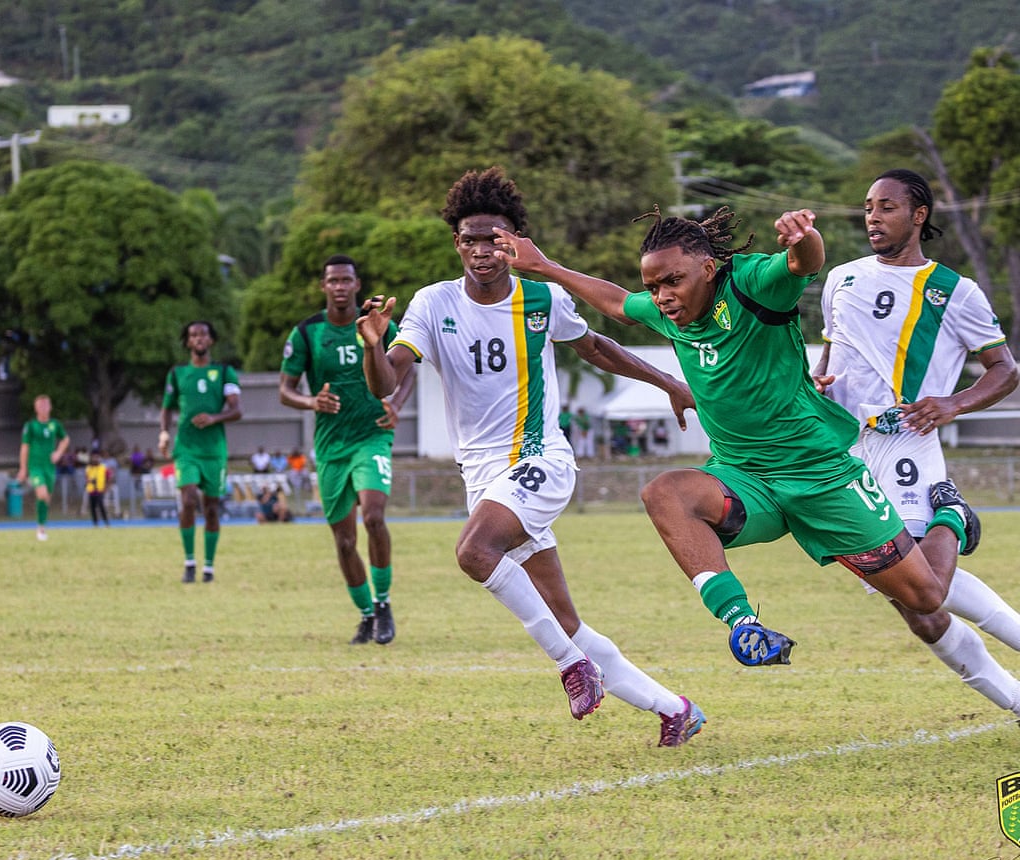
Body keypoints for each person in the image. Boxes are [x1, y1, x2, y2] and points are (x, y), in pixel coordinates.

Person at [496, 202, 961, 678]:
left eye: (672, 281)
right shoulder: (665, 312)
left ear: (708, 268)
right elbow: (617, 303)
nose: (661, 297)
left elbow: (805, 263)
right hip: (744, 478)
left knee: (925, 597)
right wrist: (545, 267)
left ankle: (951, 514)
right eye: (653, 286)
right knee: (664, 492)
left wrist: (801, 236)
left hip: (820, 476)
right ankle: (743, 625)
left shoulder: (752, 284)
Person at [358, 167, 705, 745]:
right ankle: (674, 709)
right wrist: (373, 345)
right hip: (484, 476)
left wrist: (667, 381)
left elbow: (597, 347)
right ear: (457, 244)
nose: (481, 250)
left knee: (474, 552)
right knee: (565, 620)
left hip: (540, 460)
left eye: (493, 238)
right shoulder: (431, 303)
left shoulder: (543, 297)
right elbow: (384, 383)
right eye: (469, 239)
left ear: (513, 241)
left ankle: (571, 668)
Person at [816, 168, 1020, 716]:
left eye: (886, 207)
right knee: (912, 601)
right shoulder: (842, 277)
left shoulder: (956, 292)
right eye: (867, 208)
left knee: (919, 582)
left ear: (918, 215)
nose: (873, 218)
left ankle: (949, 517)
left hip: (907, 439)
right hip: (846, 451)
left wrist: (952, 404)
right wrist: (817, 381)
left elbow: (1005, 371)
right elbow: (833, 356)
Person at [279, 254, 417, 645]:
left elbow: (408, 371)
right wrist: (311, 402)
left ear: (357, 285)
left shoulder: (375, 325)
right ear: (324, 286)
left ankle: (385, 602)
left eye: (346, 280)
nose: (340, 286)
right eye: (333, 281)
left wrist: (397, 405)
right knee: (343, 541)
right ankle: (366, 613)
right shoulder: (306, 333)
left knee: (373, 516)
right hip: (330, 446)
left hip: (372, 435)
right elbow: (285, 390)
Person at [159, 321, 243, 583]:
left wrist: (214, 418)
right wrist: (163, 434)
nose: (198, 338)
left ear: (211, 341)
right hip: (186, 449)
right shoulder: (177, 374)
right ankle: (189, 563)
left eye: (203, 334)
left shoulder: (225, 372)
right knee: (187, 500)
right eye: (193, 335)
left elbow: (237, 410)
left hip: (214, 451)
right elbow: (166, 408)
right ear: (187, 342)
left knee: (211, 509)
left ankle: (208, 566)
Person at [17, 395, 71, 541]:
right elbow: (24, 447)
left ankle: (41, 526)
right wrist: (23, 468)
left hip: (49, 468)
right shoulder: (31, 426)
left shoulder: (55, 424)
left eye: (46, 405)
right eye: (40, 406)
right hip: (35, 466)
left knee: (46, 498)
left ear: (50, 407)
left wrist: (59, 453)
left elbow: (65, 439)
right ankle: (40, 530)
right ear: (36, 408)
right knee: (41, 494)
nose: (44, 408)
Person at [84, 450, 112, 527]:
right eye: (94, 457)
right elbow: (86, 478)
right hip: (91, 490)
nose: (95, 459)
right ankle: (95, 523)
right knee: (92, 507)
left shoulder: (103, 467)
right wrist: (89, 481)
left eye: (97, 457)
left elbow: (109, 478)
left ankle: (106, 523)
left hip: (100, 490)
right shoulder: (88, 468)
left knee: (101, 506)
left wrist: (107, 487)